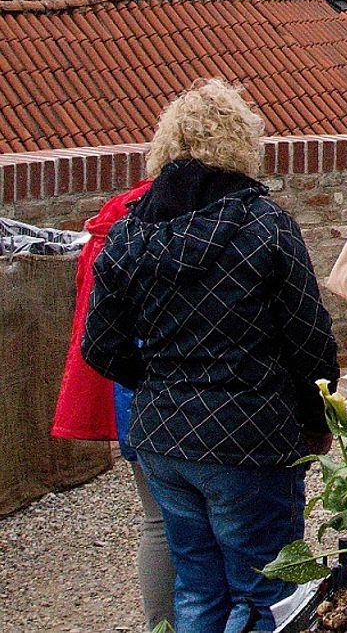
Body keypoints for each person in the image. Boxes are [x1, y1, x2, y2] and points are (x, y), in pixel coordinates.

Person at [83, 81, 338, 633]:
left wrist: (159, 382)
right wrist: (318, 420)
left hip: (163, 437)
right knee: (266, 593)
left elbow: (99, 346)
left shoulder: (128, 234)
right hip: (251, 436)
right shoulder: (265, 226)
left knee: (197, 589)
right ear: (241, 143)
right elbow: (309, 340)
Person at [52, 177, 172, 633]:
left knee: (157, 523)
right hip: (198, 402)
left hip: (136, 400)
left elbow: (98, 342)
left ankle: (163, 626)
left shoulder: (117, 220)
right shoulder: (213, 213)